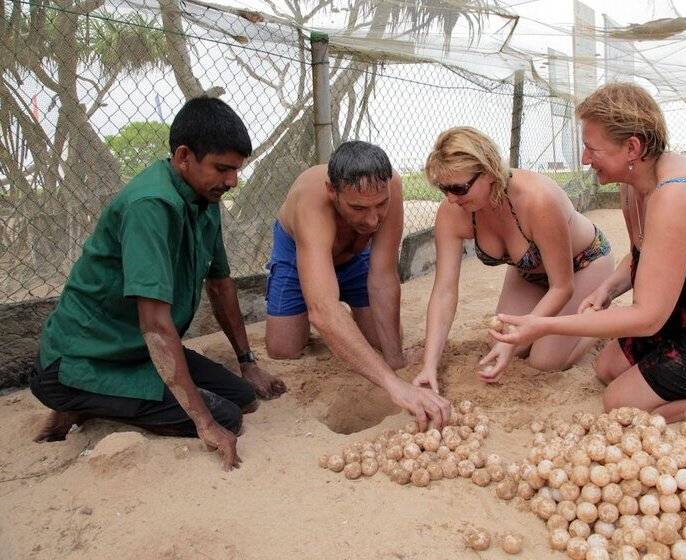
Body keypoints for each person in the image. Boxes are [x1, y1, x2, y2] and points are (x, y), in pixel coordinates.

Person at [491, 82, 686, 423]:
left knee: (621, 403)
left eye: (592, 148)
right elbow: (642, 253)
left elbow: (648, 317)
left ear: (632, 147)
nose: (584, 158)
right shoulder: (634, 182)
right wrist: (608, 288)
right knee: (606, 367)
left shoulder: (674, 196)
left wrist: (545, 325)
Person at [30, 97, 286, 471]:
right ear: (183, 157)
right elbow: (154, 324)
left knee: (243, 396)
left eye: (236, 170)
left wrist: (247, 363)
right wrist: (204, 423)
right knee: (224, 418)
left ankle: (98, 400)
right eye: (222, 169)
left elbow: (220, 284)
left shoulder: (205, 198)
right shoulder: (150, 205)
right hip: (83, 360)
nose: (231, 181)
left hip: (134, 354)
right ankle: (76, 400)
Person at [263, 141, 450, 430]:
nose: (373, 218)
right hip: (301, 253)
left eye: (380, 204)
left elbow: (384, 276)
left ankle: (348, 325)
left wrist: (394, 360)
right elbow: (323, 310)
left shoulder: (392, 185)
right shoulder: (311, 201)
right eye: (358, 208)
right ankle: (328, 307)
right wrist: (394, 385)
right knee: (283, 348)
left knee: (382, 340)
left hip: (355, 254)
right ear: (332, 192)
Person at [412, 126, 615, 393]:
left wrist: (514, 339)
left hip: (583, 265)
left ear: (489, 171)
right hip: (529, 272)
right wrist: (429, 365)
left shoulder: (537, 200)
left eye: (459, 188)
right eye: (443, 189)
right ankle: (560, 326)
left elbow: (562, 287)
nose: (450, 198)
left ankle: (598, 319)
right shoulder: (452, 211)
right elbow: (444, 291)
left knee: (545, 360)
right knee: (504, 341)